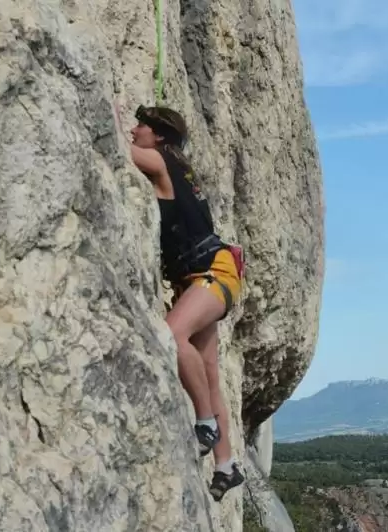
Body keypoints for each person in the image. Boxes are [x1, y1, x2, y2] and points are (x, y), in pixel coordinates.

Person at [126, 104, 245, 501]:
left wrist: (113, 114)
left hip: (211, 273)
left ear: (159, 136)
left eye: (142, 126)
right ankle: (226, 465)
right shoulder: (179, 164)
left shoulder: (161, 160)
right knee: (208, 371)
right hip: (207, 274)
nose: (135, 130)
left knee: (173, 334)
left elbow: (120, 148)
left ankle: (206, 423)